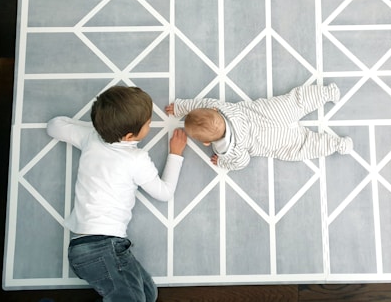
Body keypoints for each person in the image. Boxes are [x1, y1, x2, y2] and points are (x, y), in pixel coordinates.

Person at [47, 86, 187, 302]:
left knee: (149, 294)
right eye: (148, 123)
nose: (151, 124)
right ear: (130, 135)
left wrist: (99, 129)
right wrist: (175, 154)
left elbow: (54, 126)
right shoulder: (136, 158)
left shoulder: (91, 136)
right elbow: (164, 192)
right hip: (103, 248)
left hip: (94, 247)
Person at [165, 83, 352, 171]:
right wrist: (182, 107)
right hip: (272, 112)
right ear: (213, 109)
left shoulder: (228, 151)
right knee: (297, 101)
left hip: (272, 141)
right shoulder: (222, 108)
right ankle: (328, 92)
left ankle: (338, 145)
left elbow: (243, 161)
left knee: (302, 146)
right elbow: (200, 103)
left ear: (206, 142)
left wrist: (222, 162)